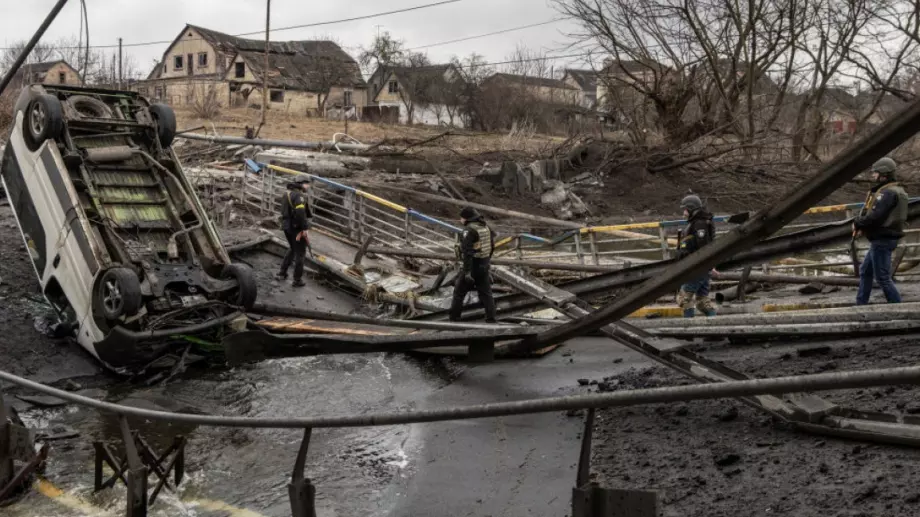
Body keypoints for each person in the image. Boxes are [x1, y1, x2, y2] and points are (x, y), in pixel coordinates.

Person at [853, 157, 908, 305]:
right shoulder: (894, 190)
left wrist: (858, 222)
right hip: (882, 239)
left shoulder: (888, 193)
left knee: (882, 278)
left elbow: (876, 217)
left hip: (883, 240)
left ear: (883, 173)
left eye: (875, 173)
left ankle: (898, 308)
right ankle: (861, 304)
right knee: (865, 271)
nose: (873, 176)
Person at [449, 207, 497, 323]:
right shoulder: (485, 227)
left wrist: (467, 272)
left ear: (466, 218)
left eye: (461, 217)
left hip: (473, 265)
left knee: (459, 293)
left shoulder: (469, 230)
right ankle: (491, 319)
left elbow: (467, 252)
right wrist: (487, 263)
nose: (460, 220)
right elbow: (492, 246)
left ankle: (454, 319)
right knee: (486, 293)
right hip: (484, 264)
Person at [677, 194, 717, 318]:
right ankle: (715, 330)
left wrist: (709, 266)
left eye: (684, 209)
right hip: (700, 267)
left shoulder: (699, 224)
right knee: (702, 303)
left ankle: (688, 332)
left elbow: (704, 248)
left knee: (684, 298)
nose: (683, 212)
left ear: (690, 208)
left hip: (697, 267)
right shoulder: (697, 222)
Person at [277, 176, 313, 287]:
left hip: (286, 226)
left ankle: (282, 272)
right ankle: (297, 280)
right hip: (296, 228)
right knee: (300, 253)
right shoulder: (299, 196)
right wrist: (304, 228)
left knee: (293, 248)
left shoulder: (287, 193)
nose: (308, 186)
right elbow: (301, 213)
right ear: (301, 184)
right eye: (307, 184)